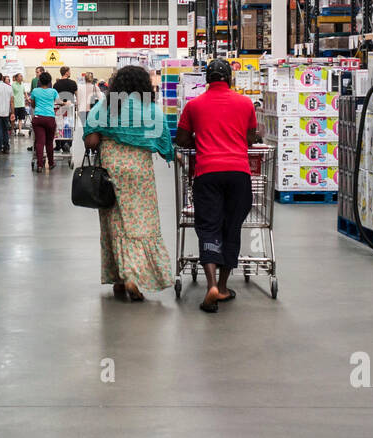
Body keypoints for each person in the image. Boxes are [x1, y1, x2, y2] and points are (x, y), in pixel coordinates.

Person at [174, 57, 261, 313]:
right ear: (230, 79)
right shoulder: (245, 103)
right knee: (231, 228)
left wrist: (200, 141)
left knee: (209, 227)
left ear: (207, 80)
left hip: (207, 174)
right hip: (238, 174)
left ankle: (210, 285)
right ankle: (222, 287)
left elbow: (181, 139)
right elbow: (249, 139)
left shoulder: (194, 105)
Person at [83, 65, 174, 301]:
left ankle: (122, 279)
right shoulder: (151, 110)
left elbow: (91, 142)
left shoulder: (104, 107)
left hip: (112, 170)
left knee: (115, 224)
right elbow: (165, 147)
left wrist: (106, 134)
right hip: (140, 170)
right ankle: (135, 276)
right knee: (141, 223)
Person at [29, 72, 58, 172]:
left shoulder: (35, 91)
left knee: (40, 142)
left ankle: (40, 165)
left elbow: (32, 104)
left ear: (40, 81)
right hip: (50, 118)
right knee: (49, 142)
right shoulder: (53, 91)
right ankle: (51, 163)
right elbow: (58, 102)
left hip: (38, 118)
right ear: (50, 81)